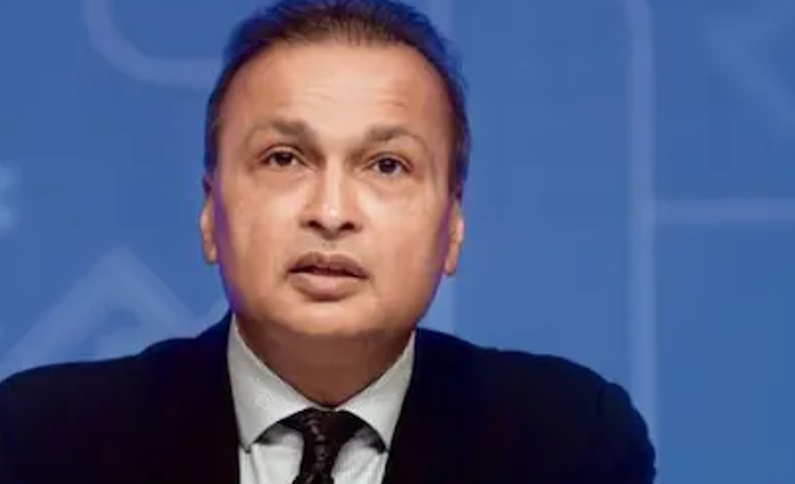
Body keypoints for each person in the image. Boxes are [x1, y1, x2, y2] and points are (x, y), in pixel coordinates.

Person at [0, 0, 656, 483]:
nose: (332, 212)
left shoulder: (566, 444)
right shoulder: (44, 441)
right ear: (208, 212)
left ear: (453, 227)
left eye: (387, 165)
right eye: (284, 159)